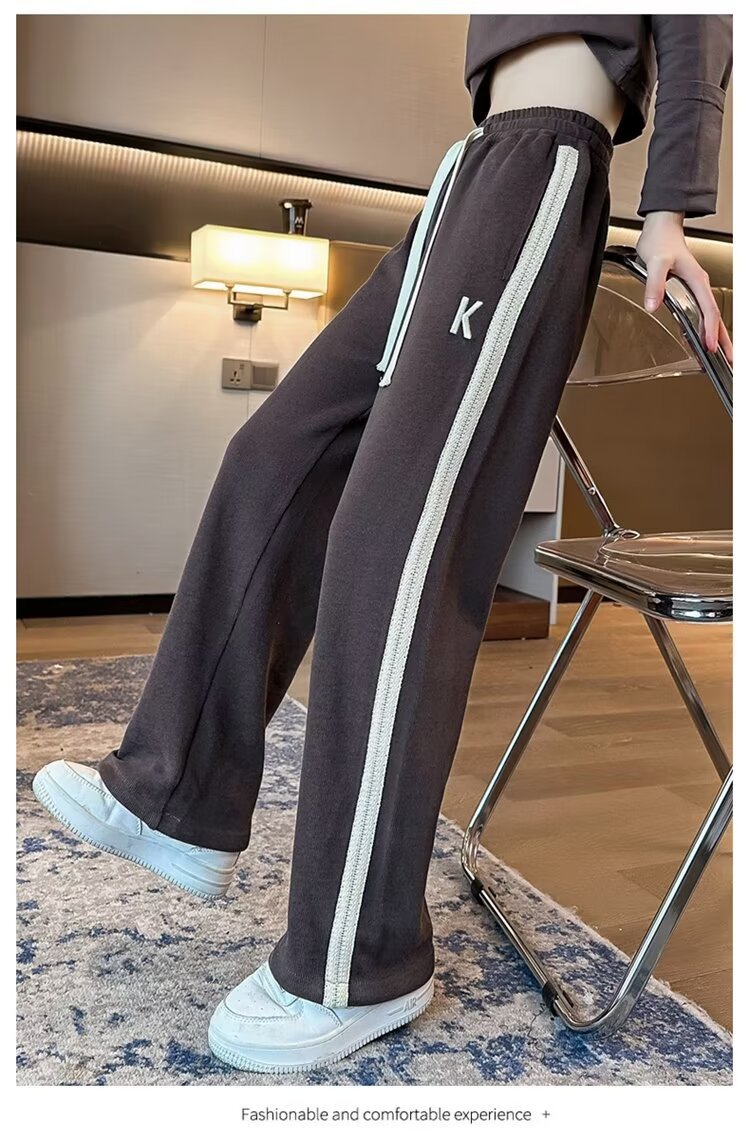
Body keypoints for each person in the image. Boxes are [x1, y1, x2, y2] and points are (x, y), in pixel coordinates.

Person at [33, 15, 732, 1074]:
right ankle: (177, 793)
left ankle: (361, 960)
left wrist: (672, 209)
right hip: (471, 168)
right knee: (274, 453)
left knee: (390, 546)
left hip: (547, 155)